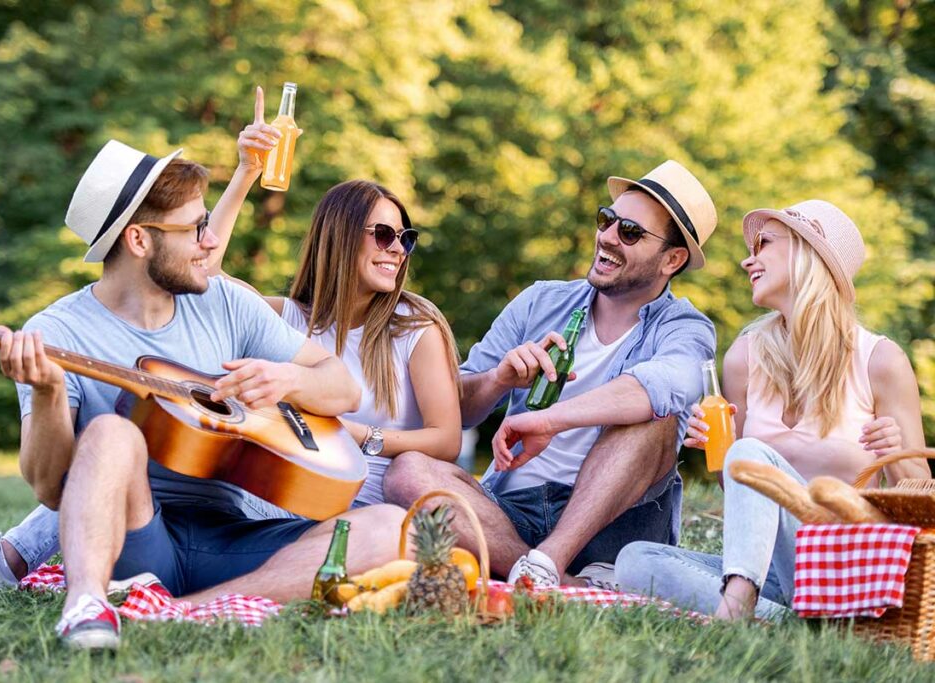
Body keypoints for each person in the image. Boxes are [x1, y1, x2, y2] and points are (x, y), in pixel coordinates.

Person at [0, 95, 462, 592]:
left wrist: (290, 379)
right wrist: (51, 395)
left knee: (396, 528)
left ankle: (200, 606)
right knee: (110, 431)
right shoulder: (56, 332)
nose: (212, 240)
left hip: (230, 533)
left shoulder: (223, 301)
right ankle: (23, 566)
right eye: (197, 228)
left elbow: (339, 384)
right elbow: (52, 488)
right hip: (138, 536)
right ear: (138, 240)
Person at [384, 160, 718, 588]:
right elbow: (455, 413)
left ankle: (546, 562)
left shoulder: (685, 328)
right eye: (607, 219)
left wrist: (547, 419)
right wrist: (498, 379)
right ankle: (546, 573)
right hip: (509, 515)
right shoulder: (539, 301)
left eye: (630, 232)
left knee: (656, 418)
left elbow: (663, 387)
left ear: (672, 259)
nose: (608, 237)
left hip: (609, 528)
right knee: (407, 471)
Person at [615, 200, 929, 619]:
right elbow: (746, 499)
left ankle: (737, 609)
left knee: (750, 457)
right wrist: (720, 458)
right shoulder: (745, 356)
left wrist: (894, 455)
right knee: (634, 560)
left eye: (763, 244)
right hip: (776, 573)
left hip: (847, 566)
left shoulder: (880, 360)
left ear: (807, 253)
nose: (749, 260)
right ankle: (779, 619)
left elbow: (921, 500)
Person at [209, 176, 463, 509]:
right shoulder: (291, 319)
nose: (399, 250)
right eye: (385, 235)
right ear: (341, 238)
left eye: (406, 238)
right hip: (291, 499)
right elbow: (208, 272)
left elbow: (446, 439)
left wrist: (355, 433)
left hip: (378, 506)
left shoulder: (414, 328)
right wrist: (245, 172)